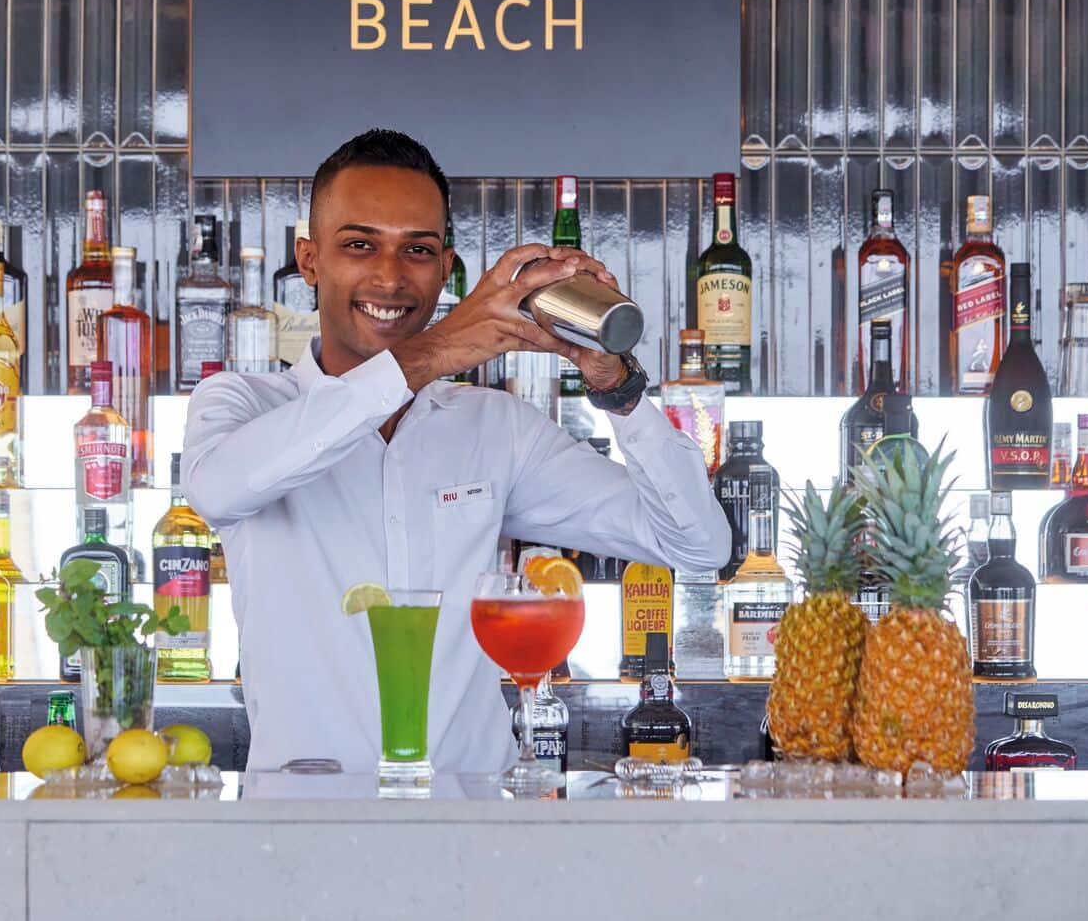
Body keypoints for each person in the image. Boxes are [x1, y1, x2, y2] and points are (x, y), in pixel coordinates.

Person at [181, 129, 730, 772]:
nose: (389, 277)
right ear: (309, 260)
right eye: (360, 245)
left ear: (445, 269)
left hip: (475, 829)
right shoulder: (241, 404)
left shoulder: (496, 429)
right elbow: (217, 490)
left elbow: (698, 547)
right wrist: (437, 349)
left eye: (416, 250)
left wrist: (620, 388)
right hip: (305, 827)